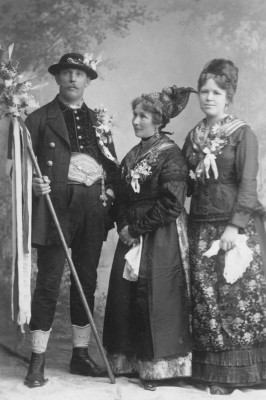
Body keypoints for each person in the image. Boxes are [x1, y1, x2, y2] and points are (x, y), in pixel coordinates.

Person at [23, 53, 119, 388]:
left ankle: (80, 355)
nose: (73, 79)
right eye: (67, 73)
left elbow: (112, 168)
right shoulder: (37, 119)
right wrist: (33, 185)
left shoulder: (99, 121)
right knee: (48, 283)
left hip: (92, 210)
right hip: (56, 208)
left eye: (79, 74)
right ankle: (37, 359)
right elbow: (17, 169)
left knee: (87, 281)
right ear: (58, 78)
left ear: (88, 80)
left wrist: (108, 195)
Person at [103, 85, 196, 390]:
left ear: (158, 120)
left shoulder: (172, 156)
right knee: (126, 297)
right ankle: (131, 362)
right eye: (134, 114)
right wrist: (123, 227)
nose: (135, 120)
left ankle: (158, 367)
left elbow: (172, 204)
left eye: (142, 115)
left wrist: (137, 228)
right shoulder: (132, 154)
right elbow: (120, 197)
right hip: (132, 232)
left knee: (156, 296)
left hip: (161, 233)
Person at [182, 58, 266, 395]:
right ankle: (210, 371)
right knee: (206, 299)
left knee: (235, 298)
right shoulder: (194, 135)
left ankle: (240, 374)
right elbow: (186, 180)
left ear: (228, 95)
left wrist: (235, 227)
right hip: (199, 224)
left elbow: (248, 185)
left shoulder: (242, 133)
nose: (208, 97)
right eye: (204, 91)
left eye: (216, 91)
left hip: (234, 227)